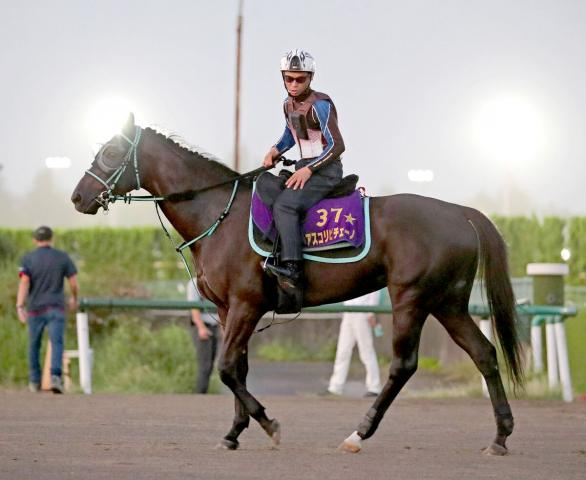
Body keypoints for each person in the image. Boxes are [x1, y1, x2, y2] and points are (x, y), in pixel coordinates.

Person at [262, 49, 345, 297]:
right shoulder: (287, 105)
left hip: (326, 171)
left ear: (310, 78)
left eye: (300, 79)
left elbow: (337, 145)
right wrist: (275, 150)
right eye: (289, 79)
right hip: (304, 168)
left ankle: (293, 268)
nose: (294, 84)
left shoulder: (320, 105)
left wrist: (309, 169)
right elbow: (290, 135)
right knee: (266, 187)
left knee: (285, 206)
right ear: (283, 78)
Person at [16, 226, 78, 394]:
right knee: (57, 342)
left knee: (34, 345)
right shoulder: (62, 257)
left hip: (35, 308)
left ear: (35, 240)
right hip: (56, 307)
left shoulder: (28, 259)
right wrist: (74, 298)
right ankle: (56, 377)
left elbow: (24, 282)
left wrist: (19, 305)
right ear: (52, 239)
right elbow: (73, 282)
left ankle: (34, 381)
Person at [327, 291, 382, 397]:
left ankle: (374, 387)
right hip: (348, 312)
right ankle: (335, 387)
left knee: (366, 351)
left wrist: (371, 312)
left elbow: (375, 291)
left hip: (362, 312)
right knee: (342, 351)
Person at [187, 281, 220, 394]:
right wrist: (201, 327)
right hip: (202, 325)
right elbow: (194, 308)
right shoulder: (194, 283)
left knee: (210, 364)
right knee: (204, 365)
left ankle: (203, 393)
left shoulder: (216, 280)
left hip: (215, 325)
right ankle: (200, 395)